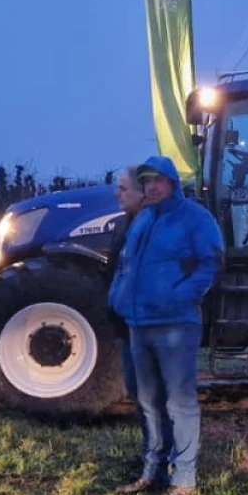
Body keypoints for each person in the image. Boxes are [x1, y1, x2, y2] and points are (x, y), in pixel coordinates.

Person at [109, 156, 222, 495]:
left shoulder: (194, 218)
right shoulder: (143, 220)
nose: (152, 187)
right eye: (146, 181)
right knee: (147, 402)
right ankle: (152, 471)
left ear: (172, 181)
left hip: (175, 325)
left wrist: (180, 297)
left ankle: (184, 479)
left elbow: (211, 262)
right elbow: (127, 266)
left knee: (179, 402)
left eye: (159, 180)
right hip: (139, 324)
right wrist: (119, 298)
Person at [103, 166, 148, 463]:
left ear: (141, 193)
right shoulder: (122, 225)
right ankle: (151, 455)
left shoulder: (156, 225)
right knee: (136, 391)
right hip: (125, 322)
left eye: (122, 188)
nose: (116, 193)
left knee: (153, 394)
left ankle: (166, 459)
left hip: (146, 323)